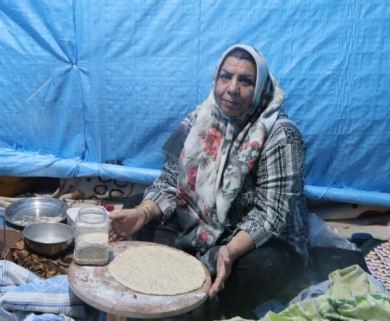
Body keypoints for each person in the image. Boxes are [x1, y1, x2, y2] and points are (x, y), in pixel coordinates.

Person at [109, 44, 309, 318]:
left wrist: (230, 251)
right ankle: (191, 270)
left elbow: (271, 214)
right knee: (136, 207)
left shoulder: (282, 135)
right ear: (215, 78)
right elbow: (170, 180)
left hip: (256, 239)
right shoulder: (197, 120)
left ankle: (204, 293)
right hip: (203, 225)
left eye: (245, 81)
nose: (232, 88)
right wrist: (143, 213)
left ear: (261, 87)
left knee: (259, 269)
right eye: (225, 77)